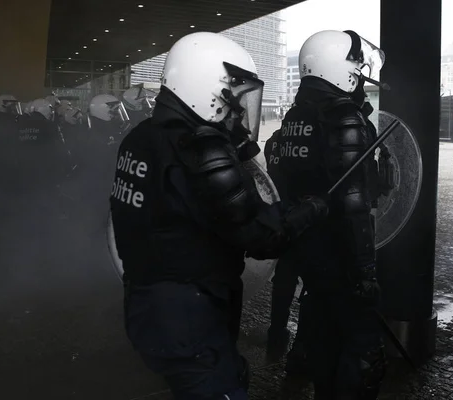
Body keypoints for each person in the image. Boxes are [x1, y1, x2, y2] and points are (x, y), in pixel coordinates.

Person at [110, 32, 329, 400]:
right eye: (233, 96)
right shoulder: (203, 151)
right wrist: (309, 210)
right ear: (206, 86)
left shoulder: (142, 135)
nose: (239, 111)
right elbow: (262, 236)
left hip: (147, 302)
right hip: (188, 315)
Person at [270, 30, 387, 399]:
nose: (358, 69)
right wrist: (365, 271)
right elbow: (353, 205)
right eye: (354, 61)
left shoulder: (295, 116)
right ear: (335, 65)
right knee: (363, 353)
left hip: (307, 250)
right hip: (340, 253)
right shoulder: (343, 116)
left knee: (323, 337)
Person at [263, 128, 300, 358]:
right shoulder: (321, 131)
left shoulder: (276, 138)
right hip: (309, 214)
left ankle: (276, 332)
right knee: (316, 281)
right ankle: (303, 347)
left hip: (284, 214)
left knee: (285, 276)